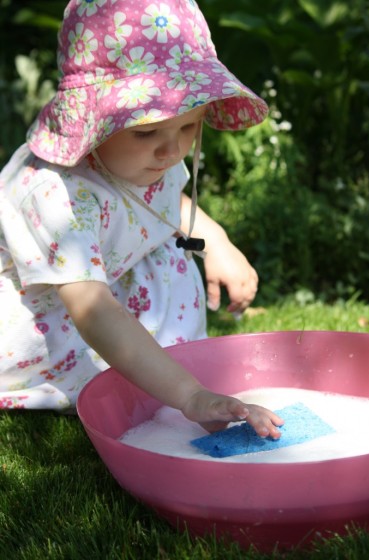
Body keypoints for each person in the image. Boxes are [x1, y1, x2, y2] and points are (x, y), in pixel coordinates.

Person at [0, 0, 283, 438]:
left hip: (116, 281)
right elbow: (92, 308)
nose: (171, 152)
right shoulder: (54, 193)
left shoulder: (149, 161)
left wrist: (216, 240)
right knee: (100, 331)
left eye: (189, 128)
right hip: (60, 313)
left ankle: (163, 367)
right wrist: (191, 395)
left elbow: (164, 204)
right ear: (92, 122)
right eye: (146, 132)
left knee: (168, 258)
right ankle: (161, 382)